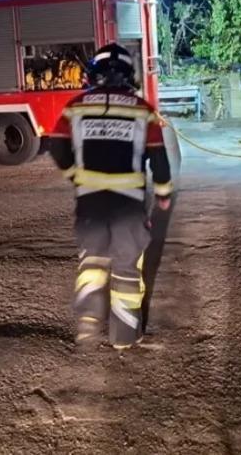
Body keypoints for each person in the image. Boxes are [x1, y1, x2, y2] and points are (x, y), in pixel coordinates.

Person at [45, 44, 174, 350]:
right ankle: (124, 336)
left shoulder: (75, 107)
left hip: (90, 203)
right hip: (128, 205)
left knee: (92, 260)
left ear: (94, 75)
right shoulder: (142, 110)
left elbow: (57, 146)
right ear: (129, 75)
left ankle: (89, 321)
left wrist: (74, 175)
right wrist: (163, 192)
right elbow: (159, 158)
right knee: (127, 267)